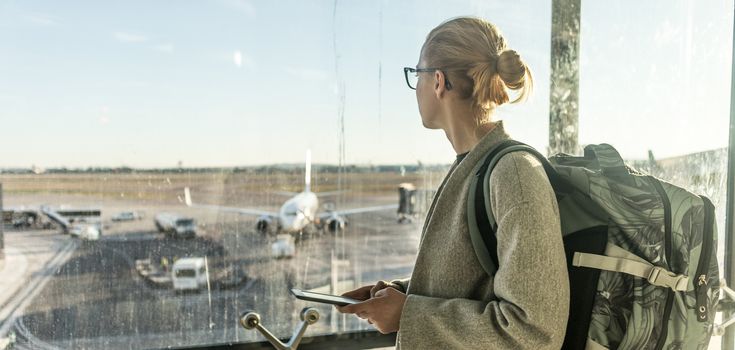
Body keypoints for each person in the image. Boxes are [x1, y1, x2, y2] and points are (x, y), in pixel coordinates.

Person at [336, 16, 569, 349]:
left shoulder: (514, 174)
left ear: (439, 81)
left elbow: (534, 331)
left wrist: (408, 315)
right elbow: (476, 283)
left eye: (416, 74)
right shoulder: (472, 166)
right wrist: (400, 294)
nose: (414, 86)